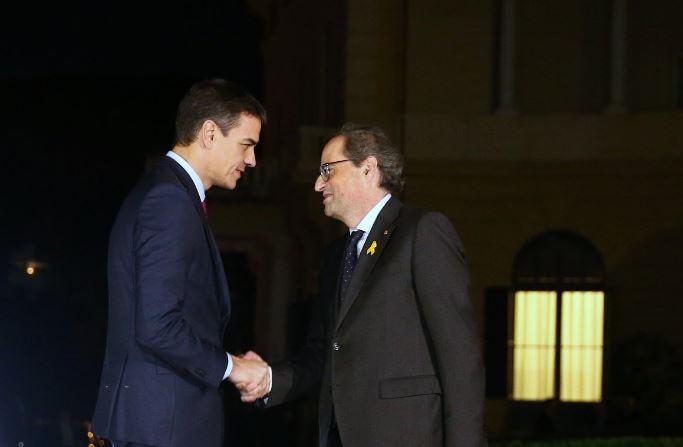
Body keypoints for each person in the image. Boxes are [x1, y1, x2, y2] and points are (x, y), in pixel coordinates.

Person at [241, 124, 486, 446]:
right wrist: (269, 379)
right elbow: (323, 354)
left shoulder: (422, 232)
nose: (317, 185)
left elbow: (459, 354)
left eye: (327, 171)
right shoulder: (334, 257)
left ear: (368, 169)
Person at [92, 79, 271, 447]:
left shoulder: (168, 193)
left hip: (157, 424)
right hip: (160, 428)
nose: (252, 160)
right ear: (209, 133)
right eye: (246, 145)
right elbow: (158, 325)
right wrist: (232, 367)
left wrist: (229, 360)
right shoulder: (169, 202)